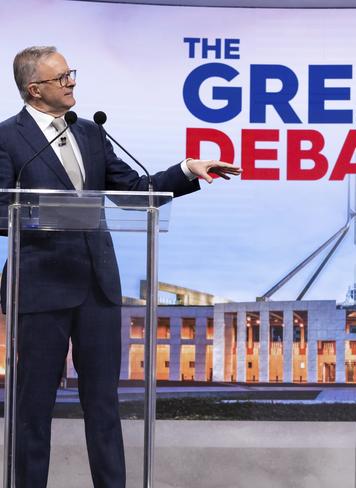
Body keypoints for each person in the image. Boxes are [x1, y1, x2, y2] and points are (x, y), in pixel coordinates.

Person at [0, 46, 241, 488]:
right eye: (62, 78)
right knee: (31, 409)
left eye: (71, 74)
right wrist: (55, 214)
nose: (72, 82)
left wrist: (188, 169)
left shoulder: (90, 133)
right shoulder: (7, 138)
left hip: (97, 288)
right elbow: (0, 210)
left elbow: (134, 190)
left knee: (104, 406)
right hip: (39, 288)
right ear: (35, 89)